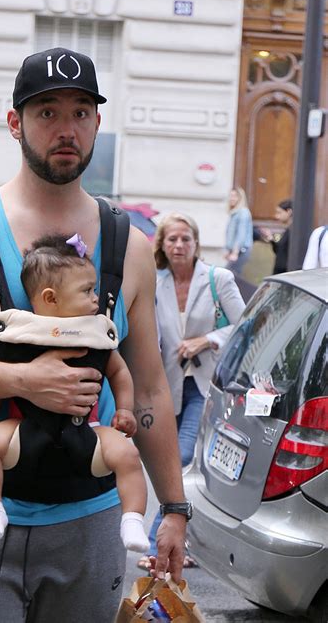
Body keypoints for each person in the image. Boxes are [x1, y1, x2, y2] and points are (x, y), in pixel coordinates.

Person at [0, 46, 187, 623]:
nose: (67, 129)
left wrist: (175, 508)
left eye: (81, 112)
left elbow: (152, 390)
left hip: (89, 518)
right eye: (48, 112)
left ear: (97, 124)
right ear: (16, 123)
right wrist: (24, 380)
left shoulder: (130, 247)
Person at [0, 233, 149, 553]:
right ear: (51, 298)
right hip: (26, 431)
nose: (97, 298)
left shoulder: (96, 332)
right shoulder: (19, 334)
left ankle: (133, 520)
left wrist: (124, 409)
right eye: (87, 291)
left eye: (94, 289)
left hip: (88, 433)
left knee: (127, 454)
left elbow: (120, 371)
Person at [138, 212, 245, 571]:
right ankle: (187, 543)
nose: (180, 245)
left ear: (196, 243)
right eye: (172, 239)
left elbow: (244, 326)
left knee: (182, 456)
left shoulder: (218, 279)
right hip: (168, 385)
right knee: (188, 465)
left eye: (186, 238)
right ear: (162, 246)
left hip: (208, 385)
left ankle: (160, 545)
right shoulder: (156, 282)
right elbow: (149, 334)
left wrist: (207, 340)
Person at [224, 186, 253, 275]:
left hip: (241, 251)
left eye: (235, 196)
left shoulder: (243, 212)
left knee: (230, 274)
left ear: (240, 198)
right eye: (230, 196)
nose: (232, 198)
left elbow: (241, 233)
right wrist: (228, 251)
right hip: (235, 251)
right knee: (232, 275)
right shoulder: (234, 213)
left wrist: (235, 253)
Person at [258, 199, 293, 274]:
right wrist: (271, 238)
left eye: (279, 213)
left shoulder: (293, 231)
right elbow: (280, 250)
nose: (276, 216)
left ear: (289, 212)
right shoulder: (288, 229)